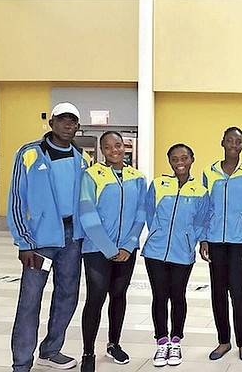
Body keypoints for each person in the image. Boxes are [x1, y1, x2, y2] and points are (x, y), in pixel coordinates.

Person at [7, 102, 90, 372]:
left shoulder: (82, 158)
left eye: (73, 121)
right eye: (63, 120)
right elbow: (16, 200)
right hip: (39, 243)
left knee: (68, 296)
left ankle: (51, 350)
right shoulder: (29, 154)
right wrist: (25, 242)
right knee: (30, 301)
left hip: (71, 239)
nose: (68, 125)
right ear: (52, 122)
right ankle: (21, 362)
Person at [78, 131, 147, 372]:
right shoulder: (91, 175)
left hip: (126, 250)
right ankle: (88, 353)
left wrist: (129, 244)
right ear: (102, 150)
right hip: (97, 249)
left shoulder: (137, 177)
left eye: (118, 145)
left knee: (119, 296)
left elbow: (141, 213)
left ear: (125, 147)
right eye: (108, 147)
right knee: (95, 300)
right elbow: (87, 214)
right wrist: (108, 249)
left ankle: (114, 343)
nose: (114, 150)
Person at [142, 143, 209, 367]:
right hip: (155, 253)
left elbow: (201, 221)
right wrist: (158, 234)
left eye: (184, 158)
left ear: (192, 159)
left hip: (183, 253)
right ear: (169, 162)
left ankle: (176, 341)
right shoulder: (159, 184)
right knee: (159, 296)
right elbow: (149, 213)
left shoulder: (200, 191)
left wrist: (192, 240)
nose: (179, 162)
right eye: (174, 159)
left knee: (178, 296)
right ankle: (161, 342)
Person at [199, 127, 242, 361]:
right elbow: (206, 207)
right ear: (222, 142)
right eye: (230, 140)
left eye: (238, 141)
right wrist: (204, 237)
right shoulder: (210, 171)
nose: (234, 144)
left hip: (240, 241)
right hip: (215, 240)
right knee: (218, 292)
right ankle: (223, 341)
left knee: (238, 291)